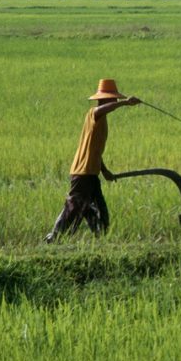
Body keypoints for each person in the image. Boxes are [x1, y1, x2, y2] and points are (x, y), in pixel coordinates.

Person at [45, 79, 140, 242]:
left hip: (91, 172)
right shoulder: (93, 114)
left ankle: (101, 238)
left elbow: (95, 151)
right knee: (74, 206)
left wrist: (105, 171)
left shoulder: (102, 120)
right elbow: (101, 110)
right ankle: (54, 237)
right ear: (104, 100)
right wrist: (124, 103)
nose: (115, 101)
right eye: (113, 99)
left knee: (96, 209)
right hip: (82, 172)